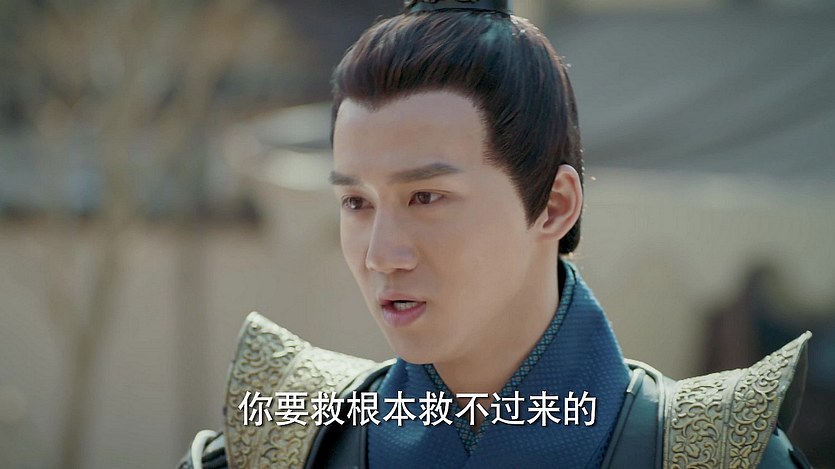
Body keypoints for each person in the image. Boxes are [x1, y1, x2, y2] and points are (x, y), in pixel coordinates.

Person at [180, 1, 812, 467]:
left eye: (426, 197)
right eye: (356, 202)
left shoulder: (710, 452)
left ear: (554, 206)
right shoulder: (285, 447)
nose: (381, 255)